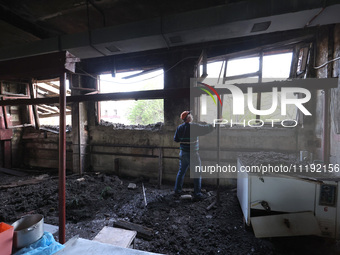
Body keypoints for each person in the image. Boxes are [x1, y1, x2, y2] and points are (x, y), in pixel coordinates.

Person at [173, 110, 214, 200]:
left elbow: (176, 139)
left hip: (183, 153)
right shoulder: (194, 127)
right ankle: (197, 194)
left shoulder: (179, 128)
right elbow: (207, 129)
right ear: (188, 118)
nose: (192, 116)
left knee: (181, 172)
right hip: (193, 154)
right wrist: (215, 123)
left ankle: (177, 191)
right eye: (190, 115)